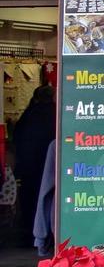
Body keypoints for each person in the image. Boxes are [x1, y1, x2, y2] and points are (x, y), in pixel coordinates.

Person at [12, 84, 55, 234]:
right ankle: (45, 233)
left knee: (30, 198)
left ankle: (30, 231)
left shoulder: (30, 114)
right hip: (50, 164)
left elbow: (17, 136)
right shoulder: (56, 113)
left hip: (30, 165)